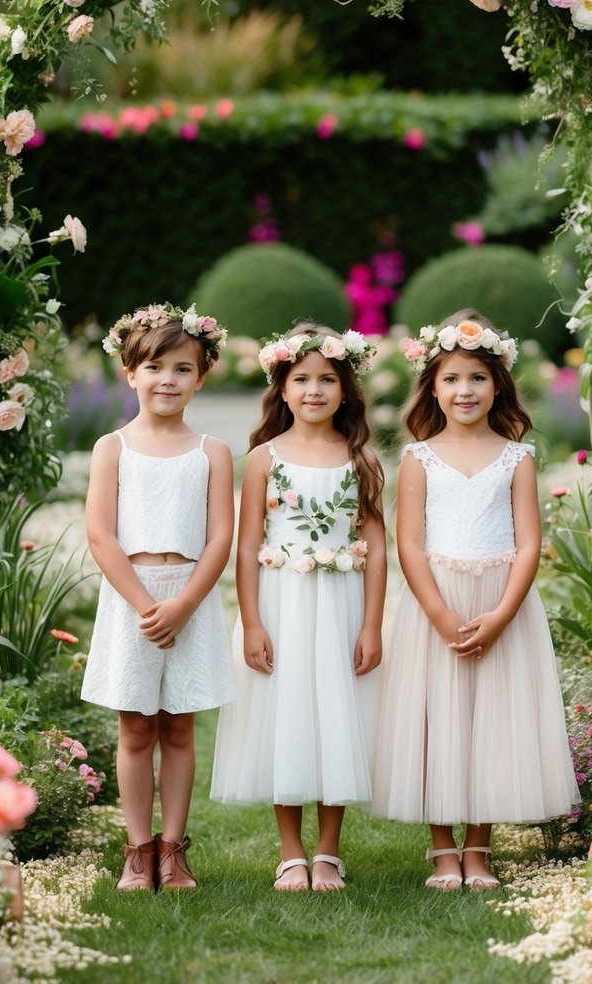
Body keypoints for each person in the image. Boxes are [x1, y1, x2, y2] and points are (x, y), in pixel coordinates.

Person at [372, 309, 580, 890]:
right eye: (451, 379)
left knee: (489, 720)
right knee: (436, 719)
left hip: (498, 600)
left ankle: (479, 848)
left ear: (499, 385)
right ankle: (443, 850)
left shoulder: (517, 458)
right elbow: (408, 544)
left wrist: (503, 613)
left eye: (477, 378)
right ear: (432, 388)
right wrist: (439, 614)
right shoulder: (418, 458)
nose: (464, 390)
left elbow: (529, 541)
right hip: (435, 603)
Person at [210, 323, 387, 892]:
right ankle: (290, 851)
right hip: (281, 601)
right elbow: (245, 545)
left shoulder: (360, 456)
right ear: (281, 388)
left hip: (342, 603)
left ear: (345, 389)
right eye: (302, 379)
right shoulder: (263, 458)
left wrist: (373, 623)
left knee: (337, 718)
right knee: (284, 716)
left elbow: (377, 544)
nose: (314, 390)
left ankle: (329, 851)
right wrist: (252, 621)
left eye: (327, 379)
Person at [81, 302, 236, 891]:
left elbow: (220, 535)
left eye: (181, 369)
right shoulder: (111, 447)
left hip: (189, 597)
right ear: (131, 374)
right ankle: (137, 850)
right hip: (132, 600)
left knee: (178, 727)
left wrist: (183, 604)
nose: (166, 380)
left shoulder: (211, 452)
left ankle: (173, 850)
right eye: (154, 367)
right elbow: (101, 534)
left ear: (201, 377)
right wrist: (148, 605)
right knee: (136, 728)